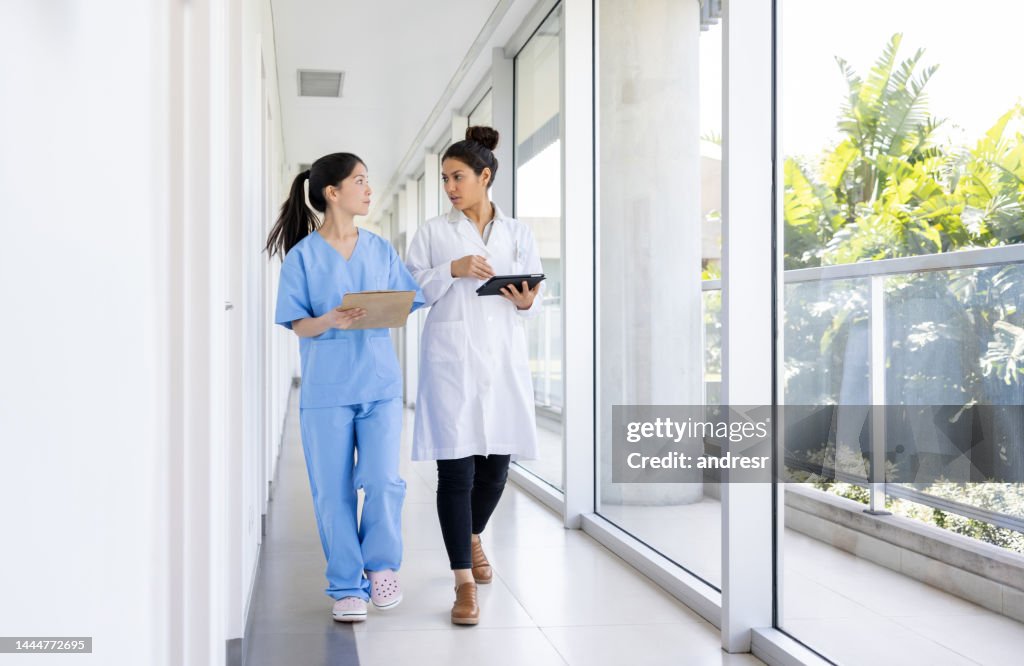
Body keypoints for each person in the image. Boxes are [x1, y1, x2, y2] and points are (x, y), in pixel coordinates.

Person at [266, 153, 424, 623]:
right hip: (327, 390)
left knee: (382, 480)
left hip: (378, 383)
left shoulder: (378, 249)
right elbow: (299, 325)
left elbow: (407, 299)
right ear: (332, 193)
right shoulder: (302, 257)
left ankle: (381, 568)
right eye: (360, 181)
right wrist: (331, 318)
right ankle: (345, 585)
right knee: (331, 491)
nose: (369, 189)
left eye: (369, 181)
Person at [405, 126, 544, 626]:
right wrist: (452, 269)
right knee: (456, 472)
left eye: (457, 176)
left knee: (496, 468)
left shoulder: (518, 232)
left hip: (501, 360)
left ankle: (470, 534)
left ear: (485, 176)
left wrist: (528, 301)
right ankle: (464, 582)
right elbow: (412, 291)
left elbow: (532, 294)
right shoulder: (433, 233)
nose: (449, 186)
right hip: (451, 364)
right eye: (444, 178)